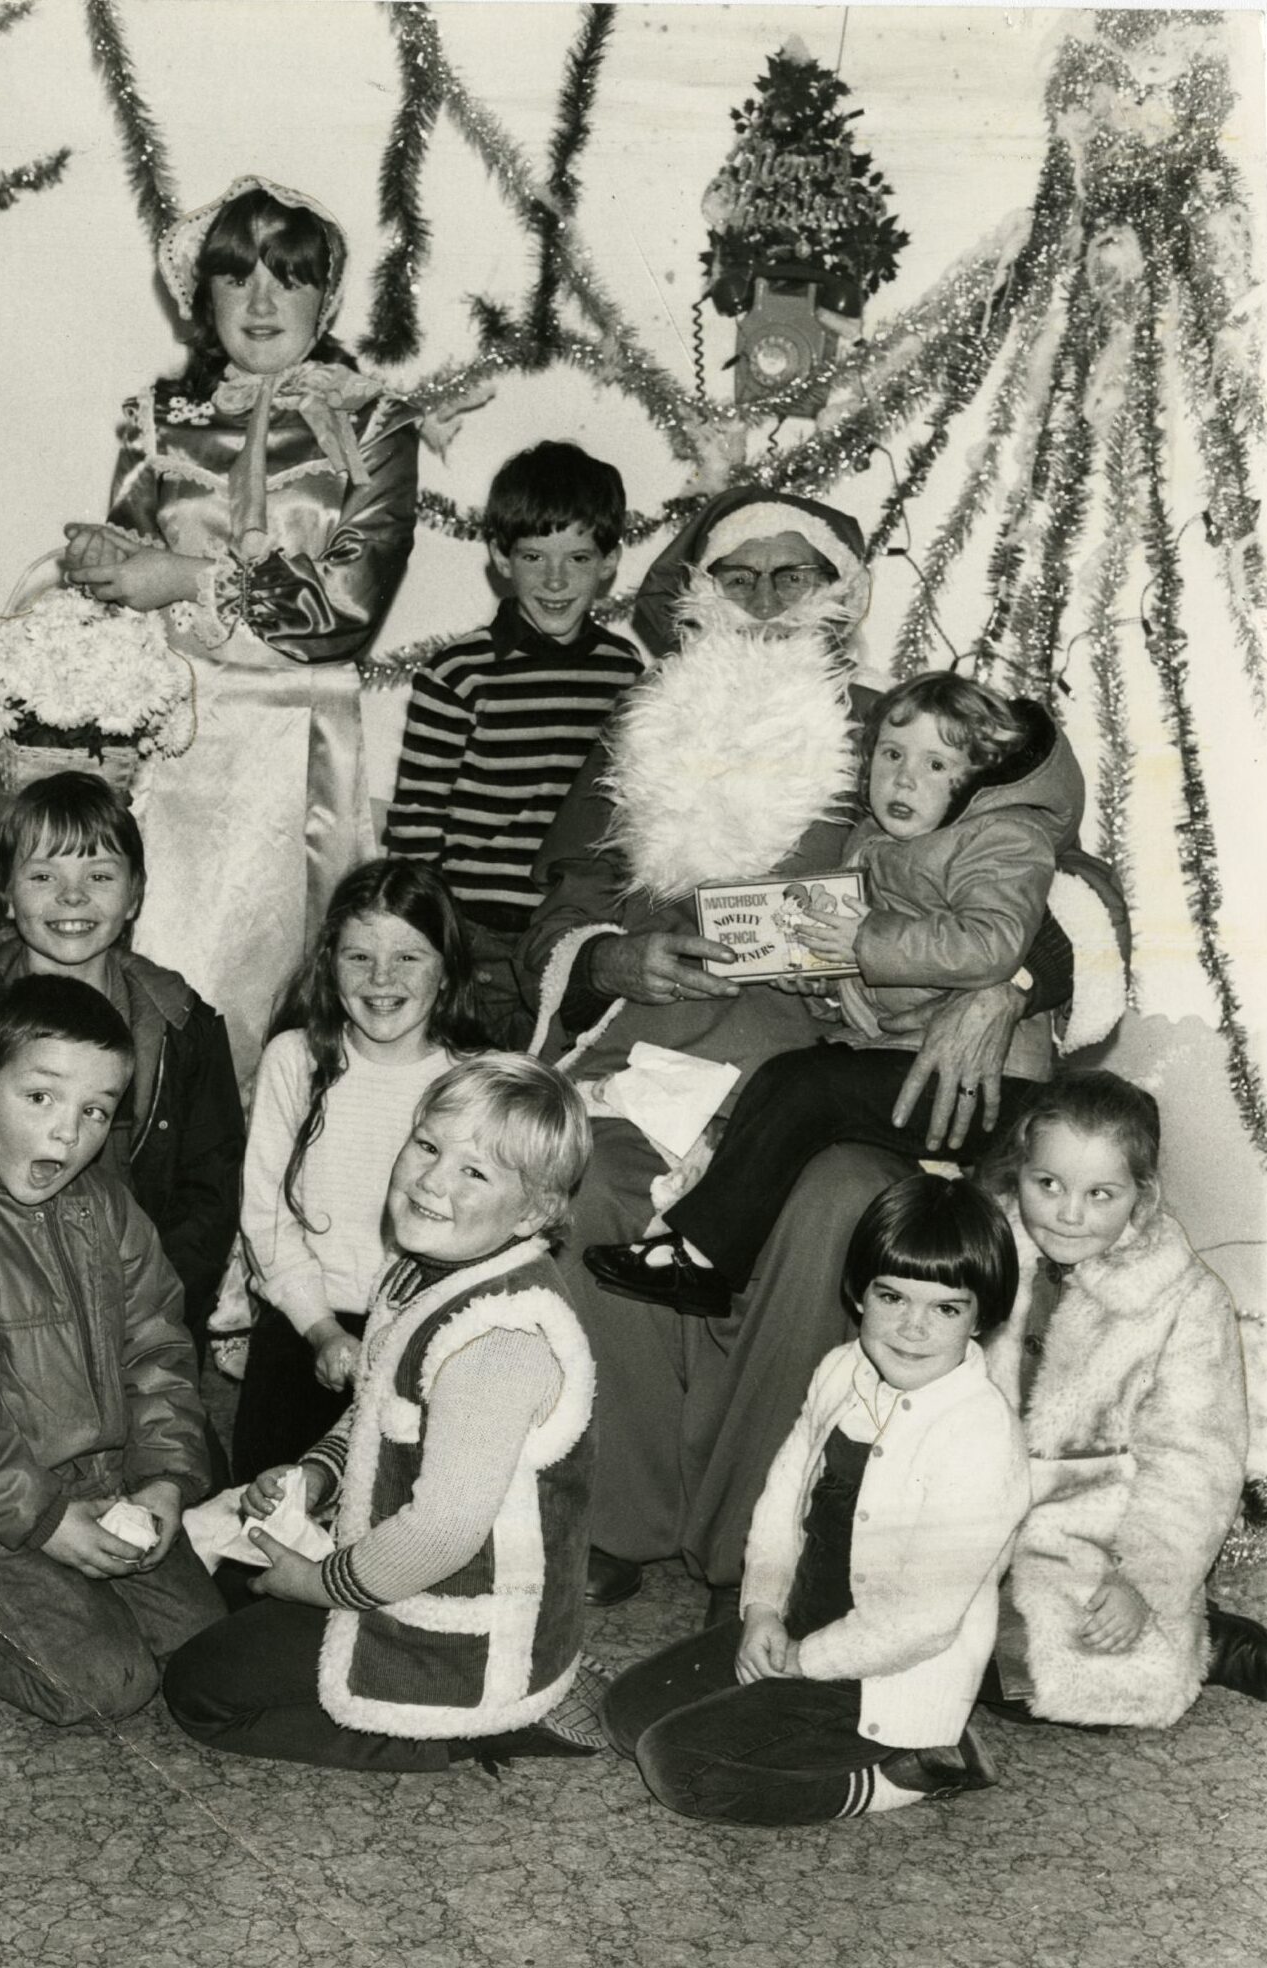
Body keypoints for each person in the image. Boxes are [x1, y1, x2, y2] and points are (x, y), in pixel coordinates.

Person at [519, 487, 1127, 1610]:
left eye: (789, 578)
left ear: (839, 599)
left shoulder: (898, 730)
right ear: (696, 593)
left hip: (830, 1060)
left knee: (835, 1206)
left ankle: (754, 1534)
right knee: (586, 1186)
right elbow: (559, 906)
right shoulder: (640, 728)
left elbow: (1059, 873)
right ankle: (616, 1515)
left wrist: (1010, 984)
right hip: (652, 1048)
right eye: (736, 579)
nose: (759, 605)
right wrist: (609, 959)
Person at [65, 177, 419, 1085]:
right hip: (175, 758)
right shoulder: (158, 422)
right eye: (236, 276)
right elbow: (117, 601)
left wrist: (181, 577)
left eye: (287, 276)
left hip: (299, 750)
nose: (261, 302)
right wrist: (100, 567)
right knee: (159, 990)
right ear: (202, 295)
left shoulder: (374, 425)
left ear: (324, 293)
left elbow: (345, 610)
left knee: (281, 1003)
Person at [585, 671, 1082, 1316]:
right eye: (892, 756)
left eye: (937, 764)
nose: (905, 779)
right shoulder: (876, 837)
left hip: (986, 1083)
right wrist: (824, 977)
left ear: (976, 777)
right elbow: (886, 967)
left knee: (807, 1087)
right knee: (789, 1081)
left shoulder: (1005, 837)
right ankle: (702, 1243)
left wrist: (865, 941)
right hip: (902, 1055)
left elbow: (991, 944)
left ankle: (702, 1258)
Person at [164, 1056, 603, 1771]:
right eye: (428, 1147)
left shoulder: (501, 1340)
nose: (432, 1180)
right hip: (395, 1564)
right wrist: (316, 1476)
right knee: (223, 1583)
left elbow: (441, 1533)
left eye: (476, 1173)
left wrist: (319, 1585)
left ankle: (459, 1737)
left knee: (199, 1692)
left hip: (451, 1617)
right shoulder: (424, 1268)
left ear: (532, 1214)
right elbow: (379, 1411)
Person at [602, 1175, 1030, 1825]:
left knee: (677, 1767)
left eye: (944, 1308)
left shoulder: (977, 1438)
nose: (912, 1329)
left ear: (981, 1317)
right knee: (626, 1714)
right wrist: (762, 1610)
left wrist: (801, 1663)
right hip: (798, 1634)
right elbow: (781, 1501)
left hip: (884, 1678)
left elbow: (918, 1624)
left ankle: (911, 1770)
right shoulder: (841, 1369)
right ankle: (791, 1704)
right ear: (859, 1293)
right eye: (891, 1297)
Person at [0, 975, 223, 1724]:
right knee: (107, 1686)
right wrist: (46, 1521)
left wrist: (165, 1479)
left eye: (95, 1112)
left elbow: (159, 1345)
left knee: (204, 1649)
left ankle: (71, 1593)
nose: (66, 1133)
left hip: (110, 1482)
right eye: (40, 1097)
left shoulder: (104, 1204)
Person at [0, 771, 243, 1358]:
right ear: (6, 890)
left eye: (100, 876)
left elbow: (207, 1196)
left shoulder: (184, 1028)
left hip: (139, 1309)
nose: (72, 897)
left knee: (179, 1445)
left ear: (134, 894)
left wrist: (153, 1316)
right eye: (42, 876)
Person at [977, 1070, 1265, 1725]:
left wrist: (1143, 1578)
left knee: (1065, 1670)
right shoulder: (982, 1248)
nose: (1067, 1213)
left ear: (1141, 1197)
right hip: (972, 1516)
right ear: (1019, 1169)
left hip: (1094, 1535)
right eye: (1045, 1184)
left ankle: (1208, 1638)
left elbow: (1195, 1461)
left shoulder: (1186, 1302)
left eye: (1099, 1193)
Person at [229, 859, 488, 1482]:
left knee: (394, 1537)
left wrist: (402, 1340)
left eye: (408, 958)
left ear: (447, 971)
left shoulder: (478, 1079)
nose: (381, 979)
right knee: (264, 1527)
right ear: (329, 965)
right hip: (306, 1320)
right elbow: (265, 1216)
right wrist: (321, 1332)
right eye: (358, 958)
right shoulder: (296, 1060)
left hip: (429, 1335)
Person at [384, 441, 642, 1045]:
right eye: (534, 555)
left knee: (556, 1092)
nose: (556, 580)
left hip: (579, 932)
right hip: (477, 934)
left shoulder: (626, 672)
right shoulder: (458, 673)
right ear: (501, 556)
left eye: (578, 557)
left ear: (610, 561)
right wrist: (428, 937)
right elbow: (416, 826)